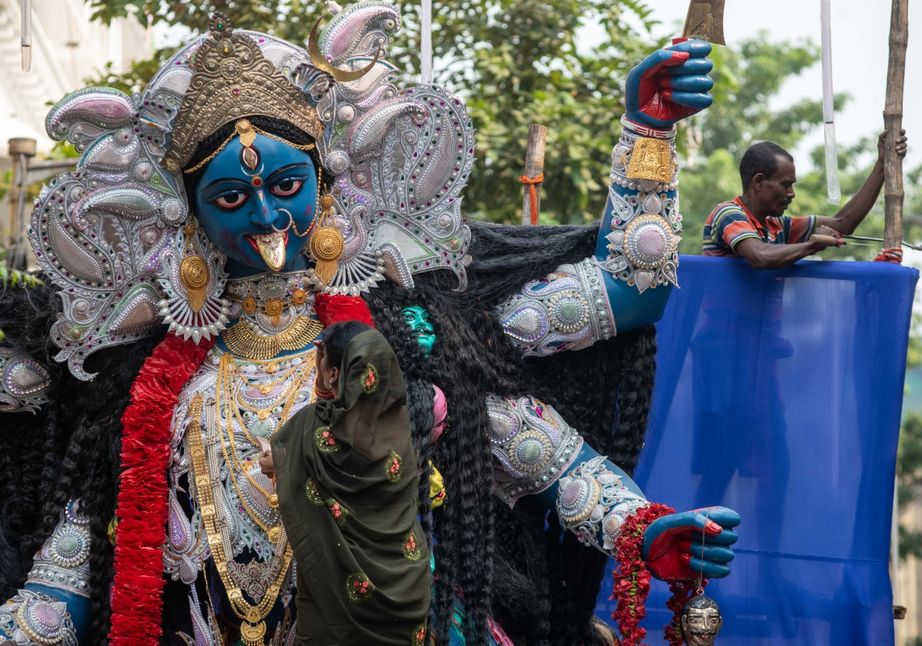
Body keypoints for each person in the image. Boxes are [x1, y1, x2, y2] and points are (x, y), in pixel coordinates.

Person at [0, 5, 740, 645]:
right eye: (229, 197)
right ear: (191, 219)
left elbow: (617, 308)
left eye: (285, 185)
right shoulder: (152, 381)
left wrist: (640, 529)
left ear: (325, 187)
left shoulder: (418, 335)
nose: (263, 216)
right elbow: (69, 570)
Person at [259, 322, 430, 645]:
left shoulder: (312, 426)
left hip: (336, 604)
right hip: (406, 591)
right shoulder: (400, 425)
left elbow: (273, 460)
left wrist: (325, 384)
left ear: (335, 372)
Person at [702, 133, 908, 268]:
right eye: (785, 185)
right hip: (725, 331)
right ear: (758, 182)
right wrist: (813, 245)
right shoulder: (728, 213)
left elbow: (843, 223)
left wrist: (882, 164)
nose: (791, 193)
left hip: (765, 331)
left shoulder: (777, 226)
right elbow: (760, 255)